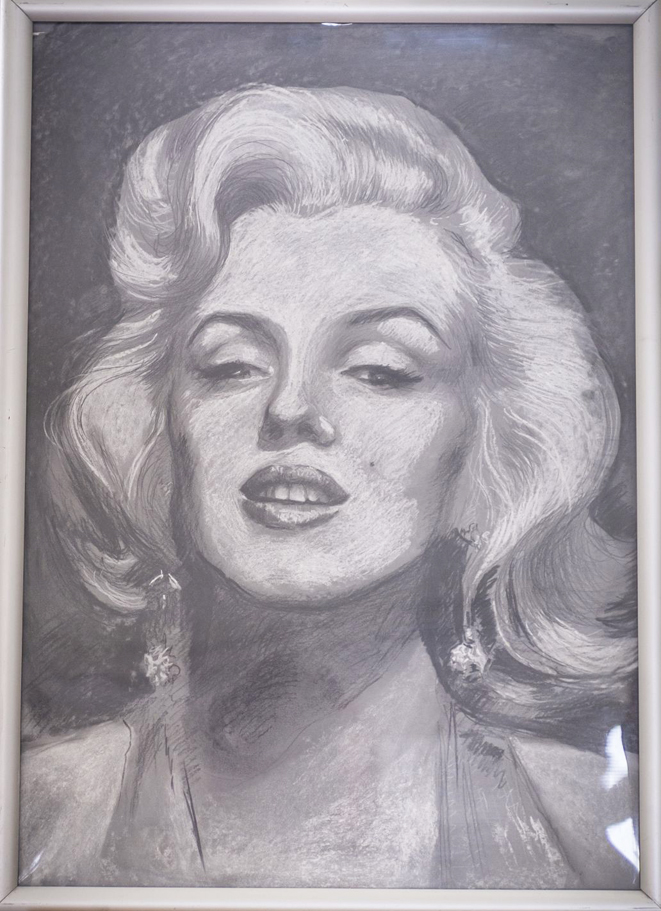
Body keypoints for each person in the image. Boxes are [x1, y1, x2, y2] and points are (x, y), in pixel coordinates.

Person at [19, 84, 638, 889]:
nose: (289, 408)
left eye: (381, 368)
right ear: (157, 427)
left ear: (488, 449)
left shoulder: (597, 834)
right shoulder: (37, 814)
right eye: (230, 365)